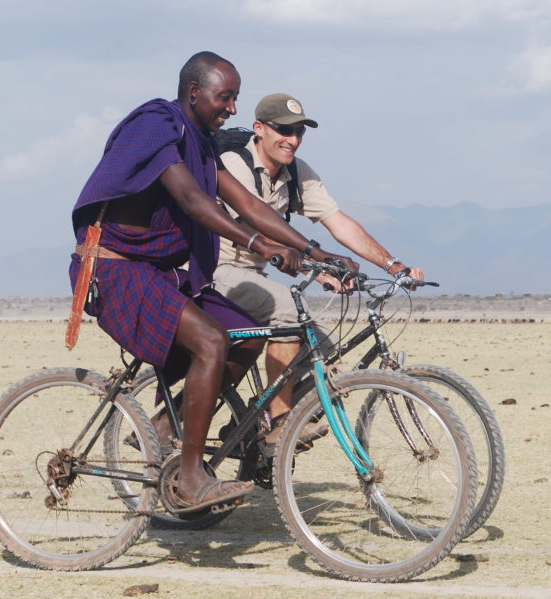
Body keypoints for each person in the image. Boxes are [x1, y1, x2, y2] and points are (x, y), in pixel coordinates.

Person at [69, 54, 356, 514]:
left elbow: (246, 204)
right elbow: (193, 200)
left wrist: (314, 252)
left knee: (246, 334)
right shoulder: (156, 126)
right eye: (226, 97)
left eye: (236, 98)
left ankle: (167, 428)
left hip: (162, 273)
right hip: (118, 268)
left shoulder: (199, 141)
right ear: (194, 93)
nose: (233, 109)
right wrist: (260, 247)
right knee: (210, 340)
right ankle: (190, 477)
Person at [214, 93, 424, 447]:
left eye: (299, 132)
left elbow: (337, 221)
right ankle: (278, 424)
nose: (292, 140)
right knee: (287, 313)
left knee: (324, 343)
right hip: (218, 270)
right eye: (283, 130)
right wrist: (319, 264)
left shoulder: (297, 171)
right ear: (259, 129)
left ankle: (258, 417)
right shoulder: (234, 163)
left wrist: (392, 265)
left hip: (256, 276)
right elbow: (258, 222)